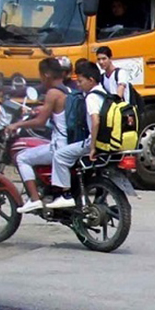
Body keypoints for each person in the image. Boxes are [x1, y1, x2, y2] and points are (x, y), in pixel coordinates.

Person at [7, 57, 70, 213]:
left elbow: (40, 122)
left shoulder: (52, 93)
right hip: (71, 142)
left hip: (59, 145)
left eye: (41, 75)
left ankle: (34, 199)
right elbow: (55, 112)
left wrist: (17, 124)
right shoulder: (67, 91)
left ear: (47, 75)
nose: (41, 80)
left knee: (22, 157)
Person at [48, 60, 106, 209]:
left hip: (92, 142)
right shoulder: (104, 93)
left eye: (80, 81)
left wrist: (92, 146)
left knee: (59, 155)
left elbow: (96, 121)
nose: (78, 85)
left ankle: (65, 194)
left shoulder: (92, 97)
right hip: (105, 141)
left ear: (91, 80)